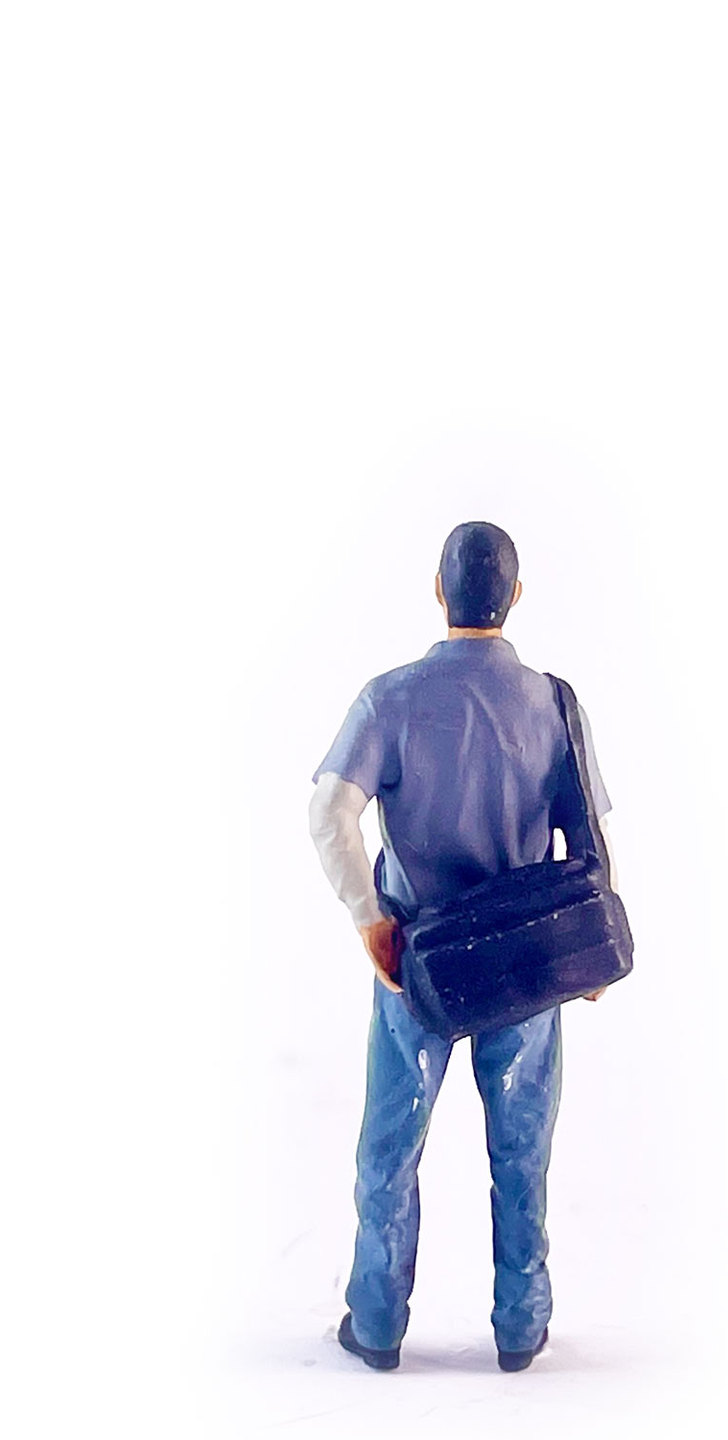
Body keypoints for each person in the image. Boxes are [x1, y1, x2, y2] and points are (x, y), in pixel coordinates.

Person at [308, 522, 617, 1373]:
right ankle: (521, 1325)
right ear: (514, 596)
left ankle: (377, 1322)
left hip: (419, 966)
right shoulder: (552, 703)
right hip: (525, 970)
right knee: (521, 1151)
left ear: (438, 591)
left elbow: (328, 810)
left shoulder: (390, 699)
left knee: (389, 1147)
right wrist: (589, 951)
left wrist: (370, 917)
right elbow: (587, 838)